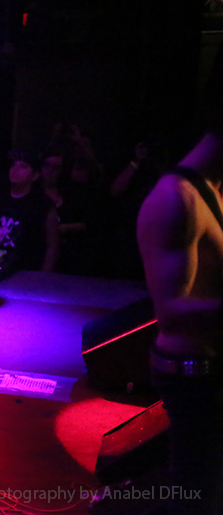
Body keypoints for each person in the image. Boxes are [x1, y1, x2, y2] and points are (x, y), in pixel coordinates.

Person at [138, 120, 223, 515]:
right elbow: (171, 311)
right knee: (198, 498)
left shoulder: (213, 191)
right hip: (195, 381)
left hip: (210, 372)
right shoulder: (176, 199)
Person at [0, 149, 60, 273]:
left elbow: (52, 246)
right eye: (13, 165)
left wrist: (43, 276)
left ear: (35, 175)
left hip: (24, 269)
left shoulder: (42, 204)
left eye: (23, 167)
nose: (15, 170)